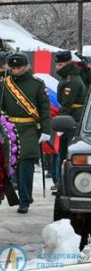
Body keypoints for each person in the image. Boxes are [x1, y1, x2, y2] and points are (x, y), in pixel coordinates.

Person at [0, 52, 52, 214]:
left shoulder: (37, 84)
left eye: (18, 67)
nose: (15, 71)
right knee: (12, 164)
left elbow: (45, 109)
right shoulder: (5, 83)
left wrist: (46, 130)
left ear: (26, 67)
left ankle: (25, 200)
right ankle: (15, 195)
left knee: (26, 165)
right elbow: (0, 107)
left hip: (29, 129)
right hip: (10, 127)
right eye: (12, 68)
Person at [53, 51, 86, 186]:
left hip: (72, 118)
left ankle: (63, 181)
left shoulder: (71, 80)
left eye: (60, 64)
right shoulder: (66, 76)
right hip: (69, 115)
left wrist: (60, 122)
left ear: (67, 64)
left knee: (66, 150)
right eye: (57, 64)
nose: (57, 67)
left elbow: (67, 103)